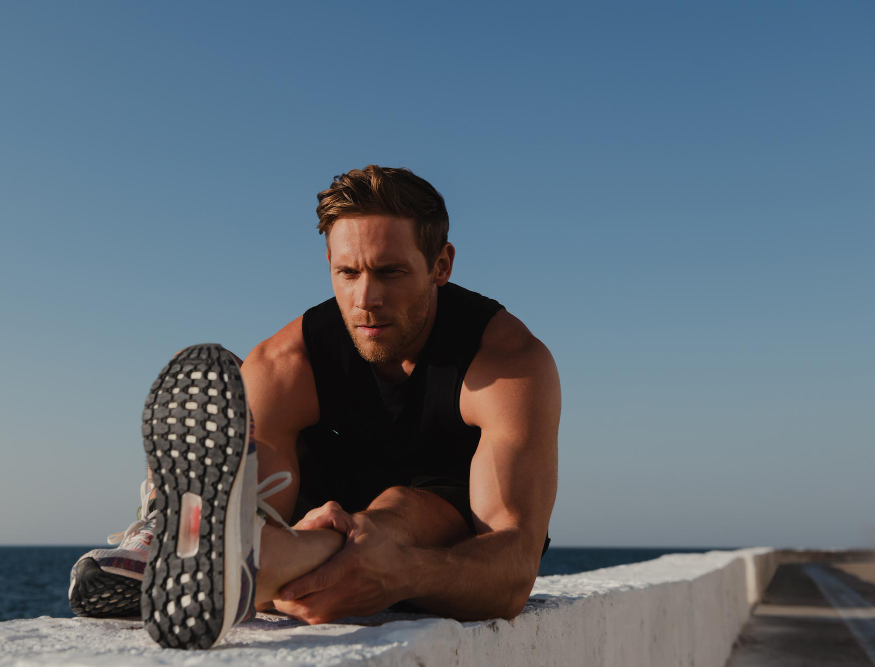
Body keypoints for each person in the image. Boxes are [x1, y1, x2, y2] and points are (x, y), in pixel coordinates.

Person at [67, 165, 560, 650]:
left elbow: (513, 570)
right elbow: (269, 495)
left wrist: (403, 571)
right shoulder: (289, 360)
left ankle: (241, 569)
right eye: (347, 272)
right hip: (318, 509)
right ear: (328, 261)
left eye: (390, 272)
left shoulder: (504, 363)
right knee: (232, 399)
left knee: (398, 509)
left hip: (442, 513)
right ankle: (203, 541)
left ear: (441, 265)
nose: (366, 299)